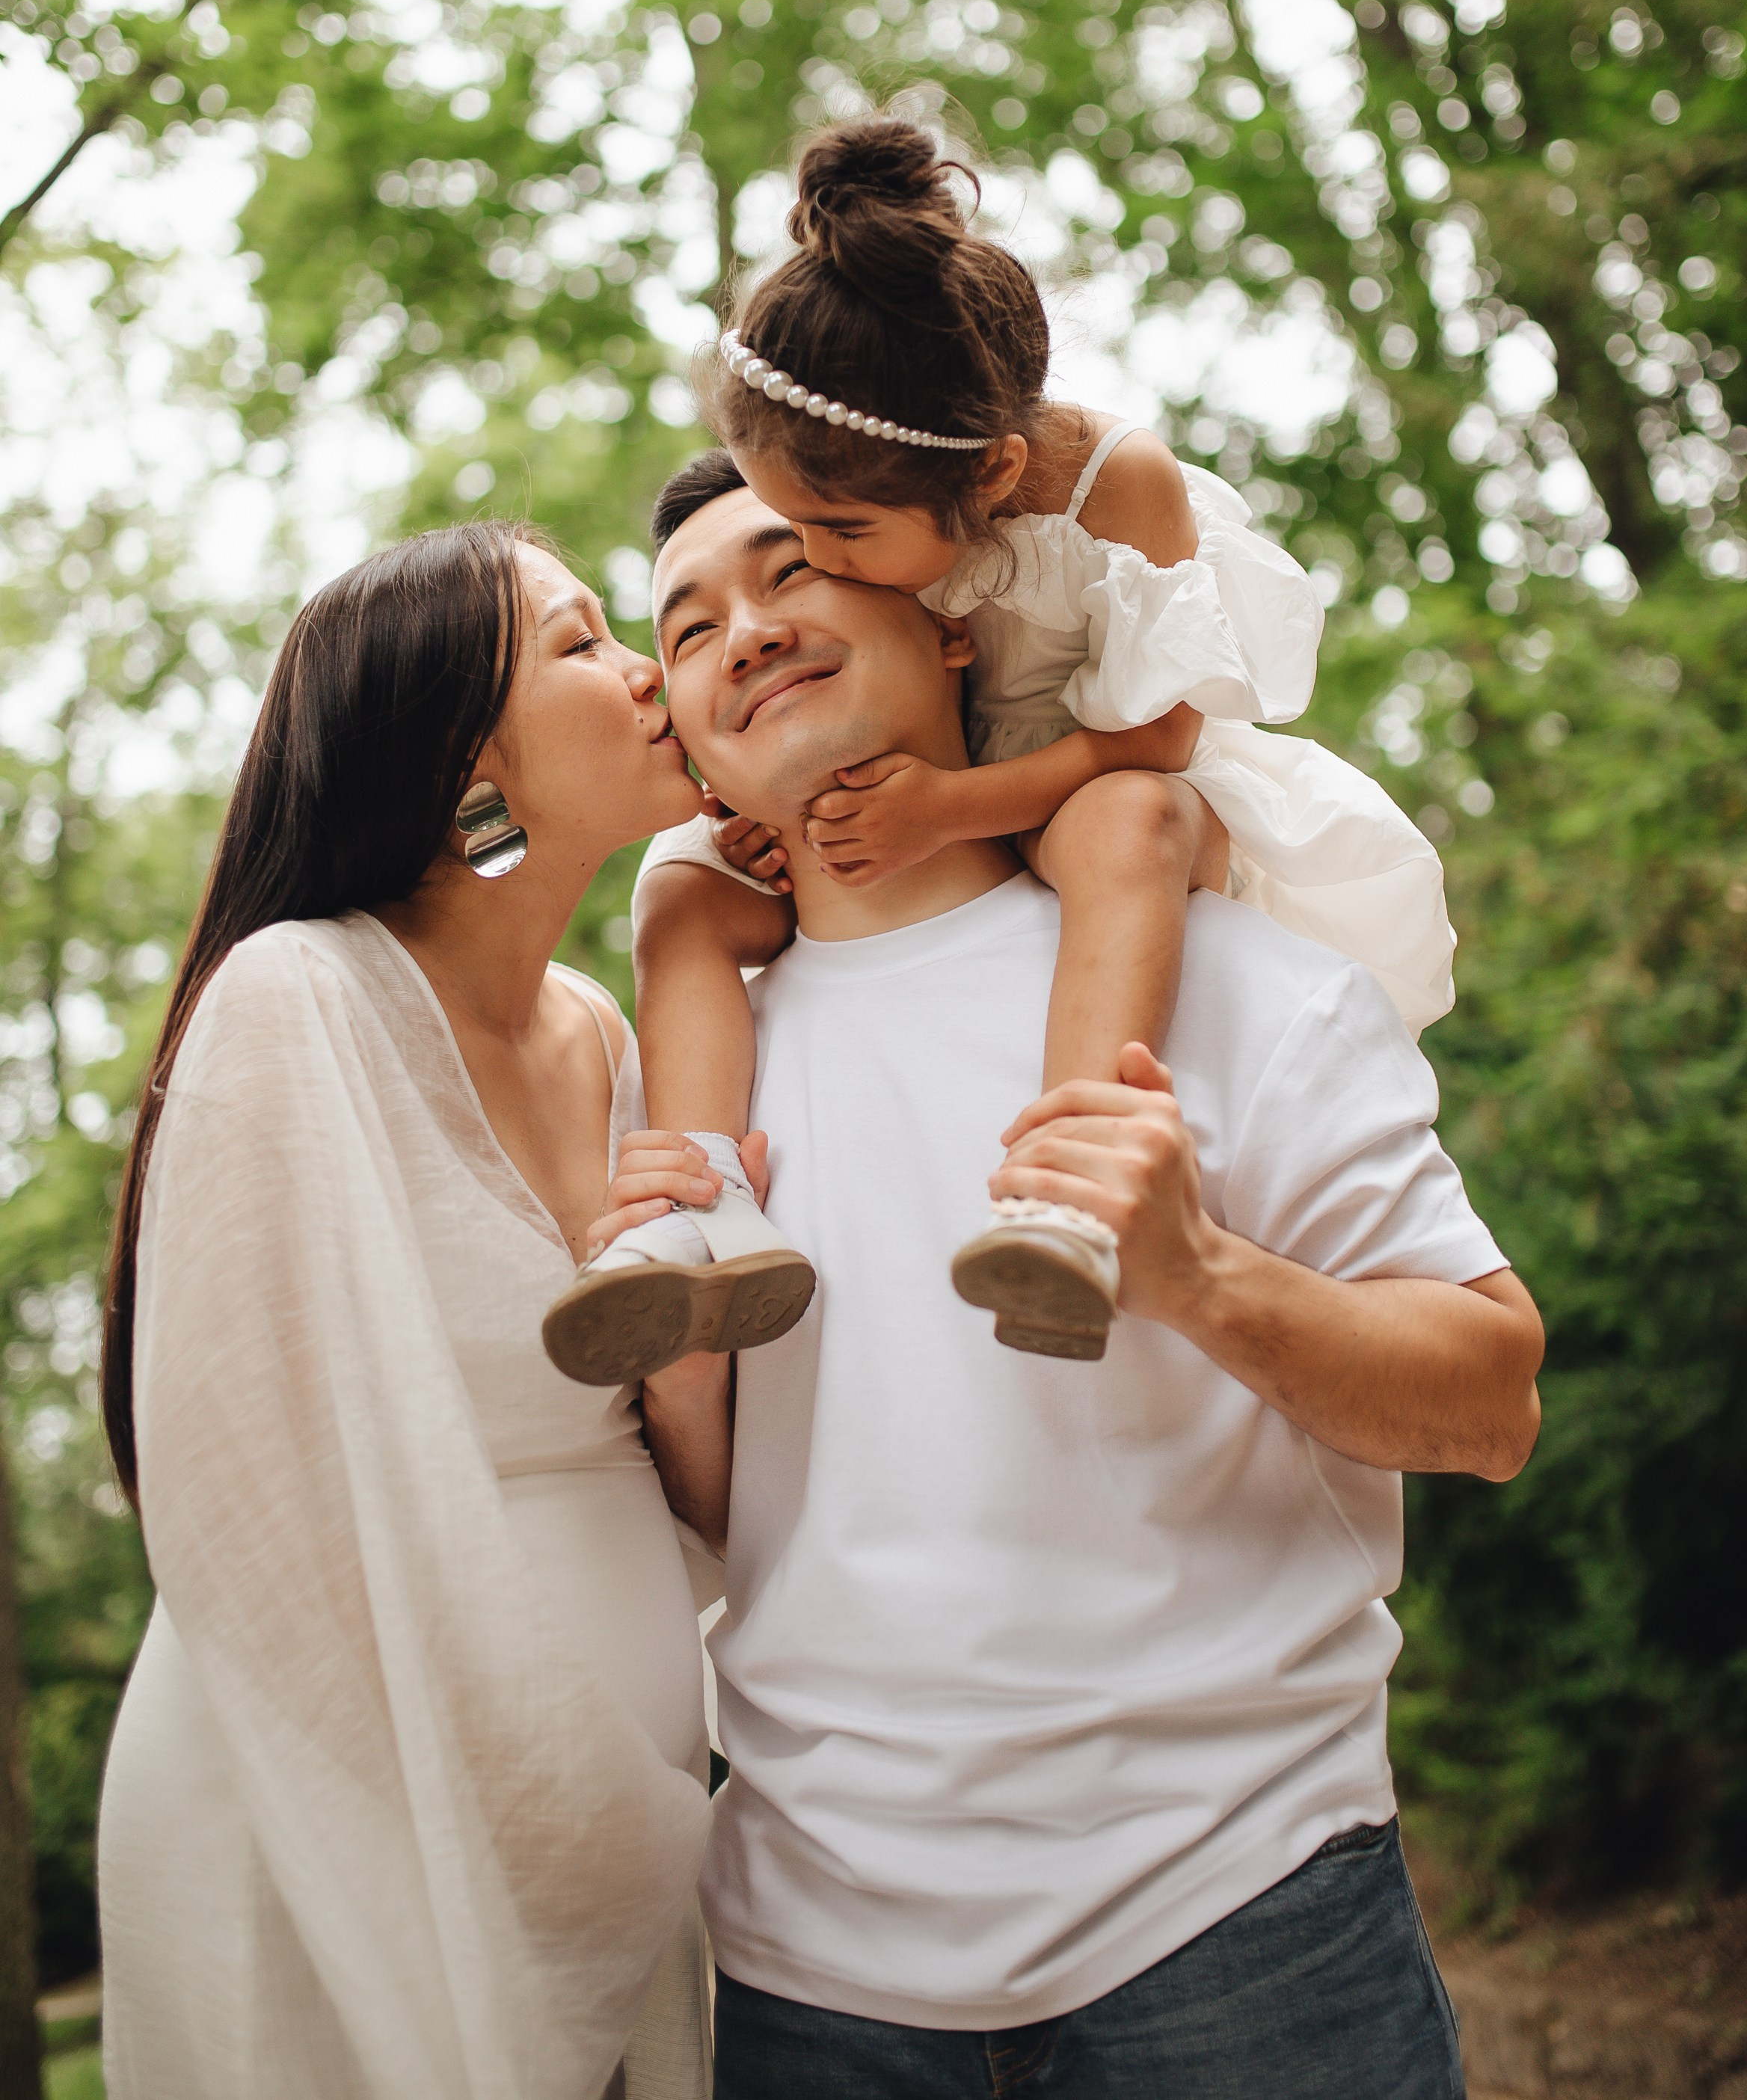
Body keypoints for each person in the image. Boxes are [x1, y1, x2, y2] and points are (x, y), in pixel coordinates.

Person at [612, 461, 1544, 2100]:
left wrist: (1198, 1276)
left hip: (1243, 1927)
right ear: (688, 743)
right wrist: (682, 1378)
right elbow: (714, 1524)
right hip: (807, 1977)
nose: (745, 634)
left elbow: (1491, 1398)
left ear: (950, 622)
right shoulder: (679, 1103)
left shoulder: (1243, 987)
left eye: (790, 573)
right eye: (691, 629)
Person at [545, 117, 1453, 1385]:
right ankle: (699, 1214)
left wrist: (950, 806)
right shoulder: (889, 498)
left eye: (824, 545)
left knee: (1122, 825)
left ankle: (1068, 1193)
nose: (818, 566)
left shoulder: (1112, 485)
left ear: (994, 478)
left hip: (1112, 760)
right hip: (954, 773)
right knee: (682, 883)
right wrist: (783, 821)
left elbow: (1157, 733)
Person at [96, 522, 751, 2100]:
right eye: (587, 642)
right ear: (472, 755)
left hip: (637, 1843)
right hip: (347, 1839)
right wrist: (558, 1820)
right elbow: (248, 1519)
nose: (653, 670)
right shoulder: (296, 999)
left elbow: (698, 1491)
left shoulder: (608, 1031)